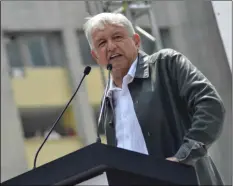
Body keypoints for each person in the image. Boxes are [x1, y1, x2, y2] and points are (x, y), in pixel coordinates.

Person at [83, 12, 225, 185]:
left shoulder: (166, 64)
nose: (111, 46)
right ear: (96, 56)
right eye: (102, 43)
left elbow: (210, 105)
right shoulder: (108, 101)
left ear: (136, 41)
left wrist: (183, 157)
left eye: (117, 37)